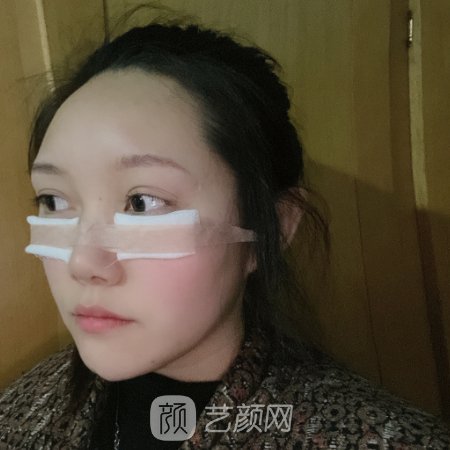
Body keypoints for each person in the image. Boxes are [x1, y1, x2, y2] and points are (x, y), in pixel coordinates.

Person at [0, 12, 449, 450]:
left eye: (142, 202)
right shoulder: (19, 411)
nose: (82, 263)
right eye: (53, 200)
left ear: (273, 226)